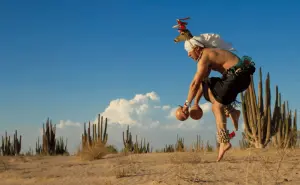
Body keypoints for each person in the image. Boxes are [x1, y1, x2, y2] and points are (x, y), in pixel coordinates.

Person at [179, 36, 256, 162]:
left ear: (197, 49)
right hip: (241, 78)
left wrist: (186, 105)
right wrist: (196, 103)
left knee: (216, 106)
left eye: (189, 51)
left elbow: (194, 84)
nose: (188, 55)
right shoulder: (209, 56)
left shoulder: (205, 56)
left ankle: (224, 141)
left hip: (235, 75)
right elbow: (203, 84)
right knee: (211, 91)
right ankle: (233, 112)